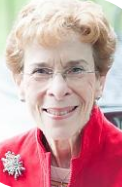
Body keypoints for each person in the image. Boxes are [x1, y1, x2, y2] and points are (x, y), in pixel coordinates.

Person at [0, 0, 122, 186]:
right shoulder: (3, 159)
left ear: (100, 80)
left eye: (75, 70)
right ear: (20, 83)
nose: (58, 91)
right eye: (40, 71)